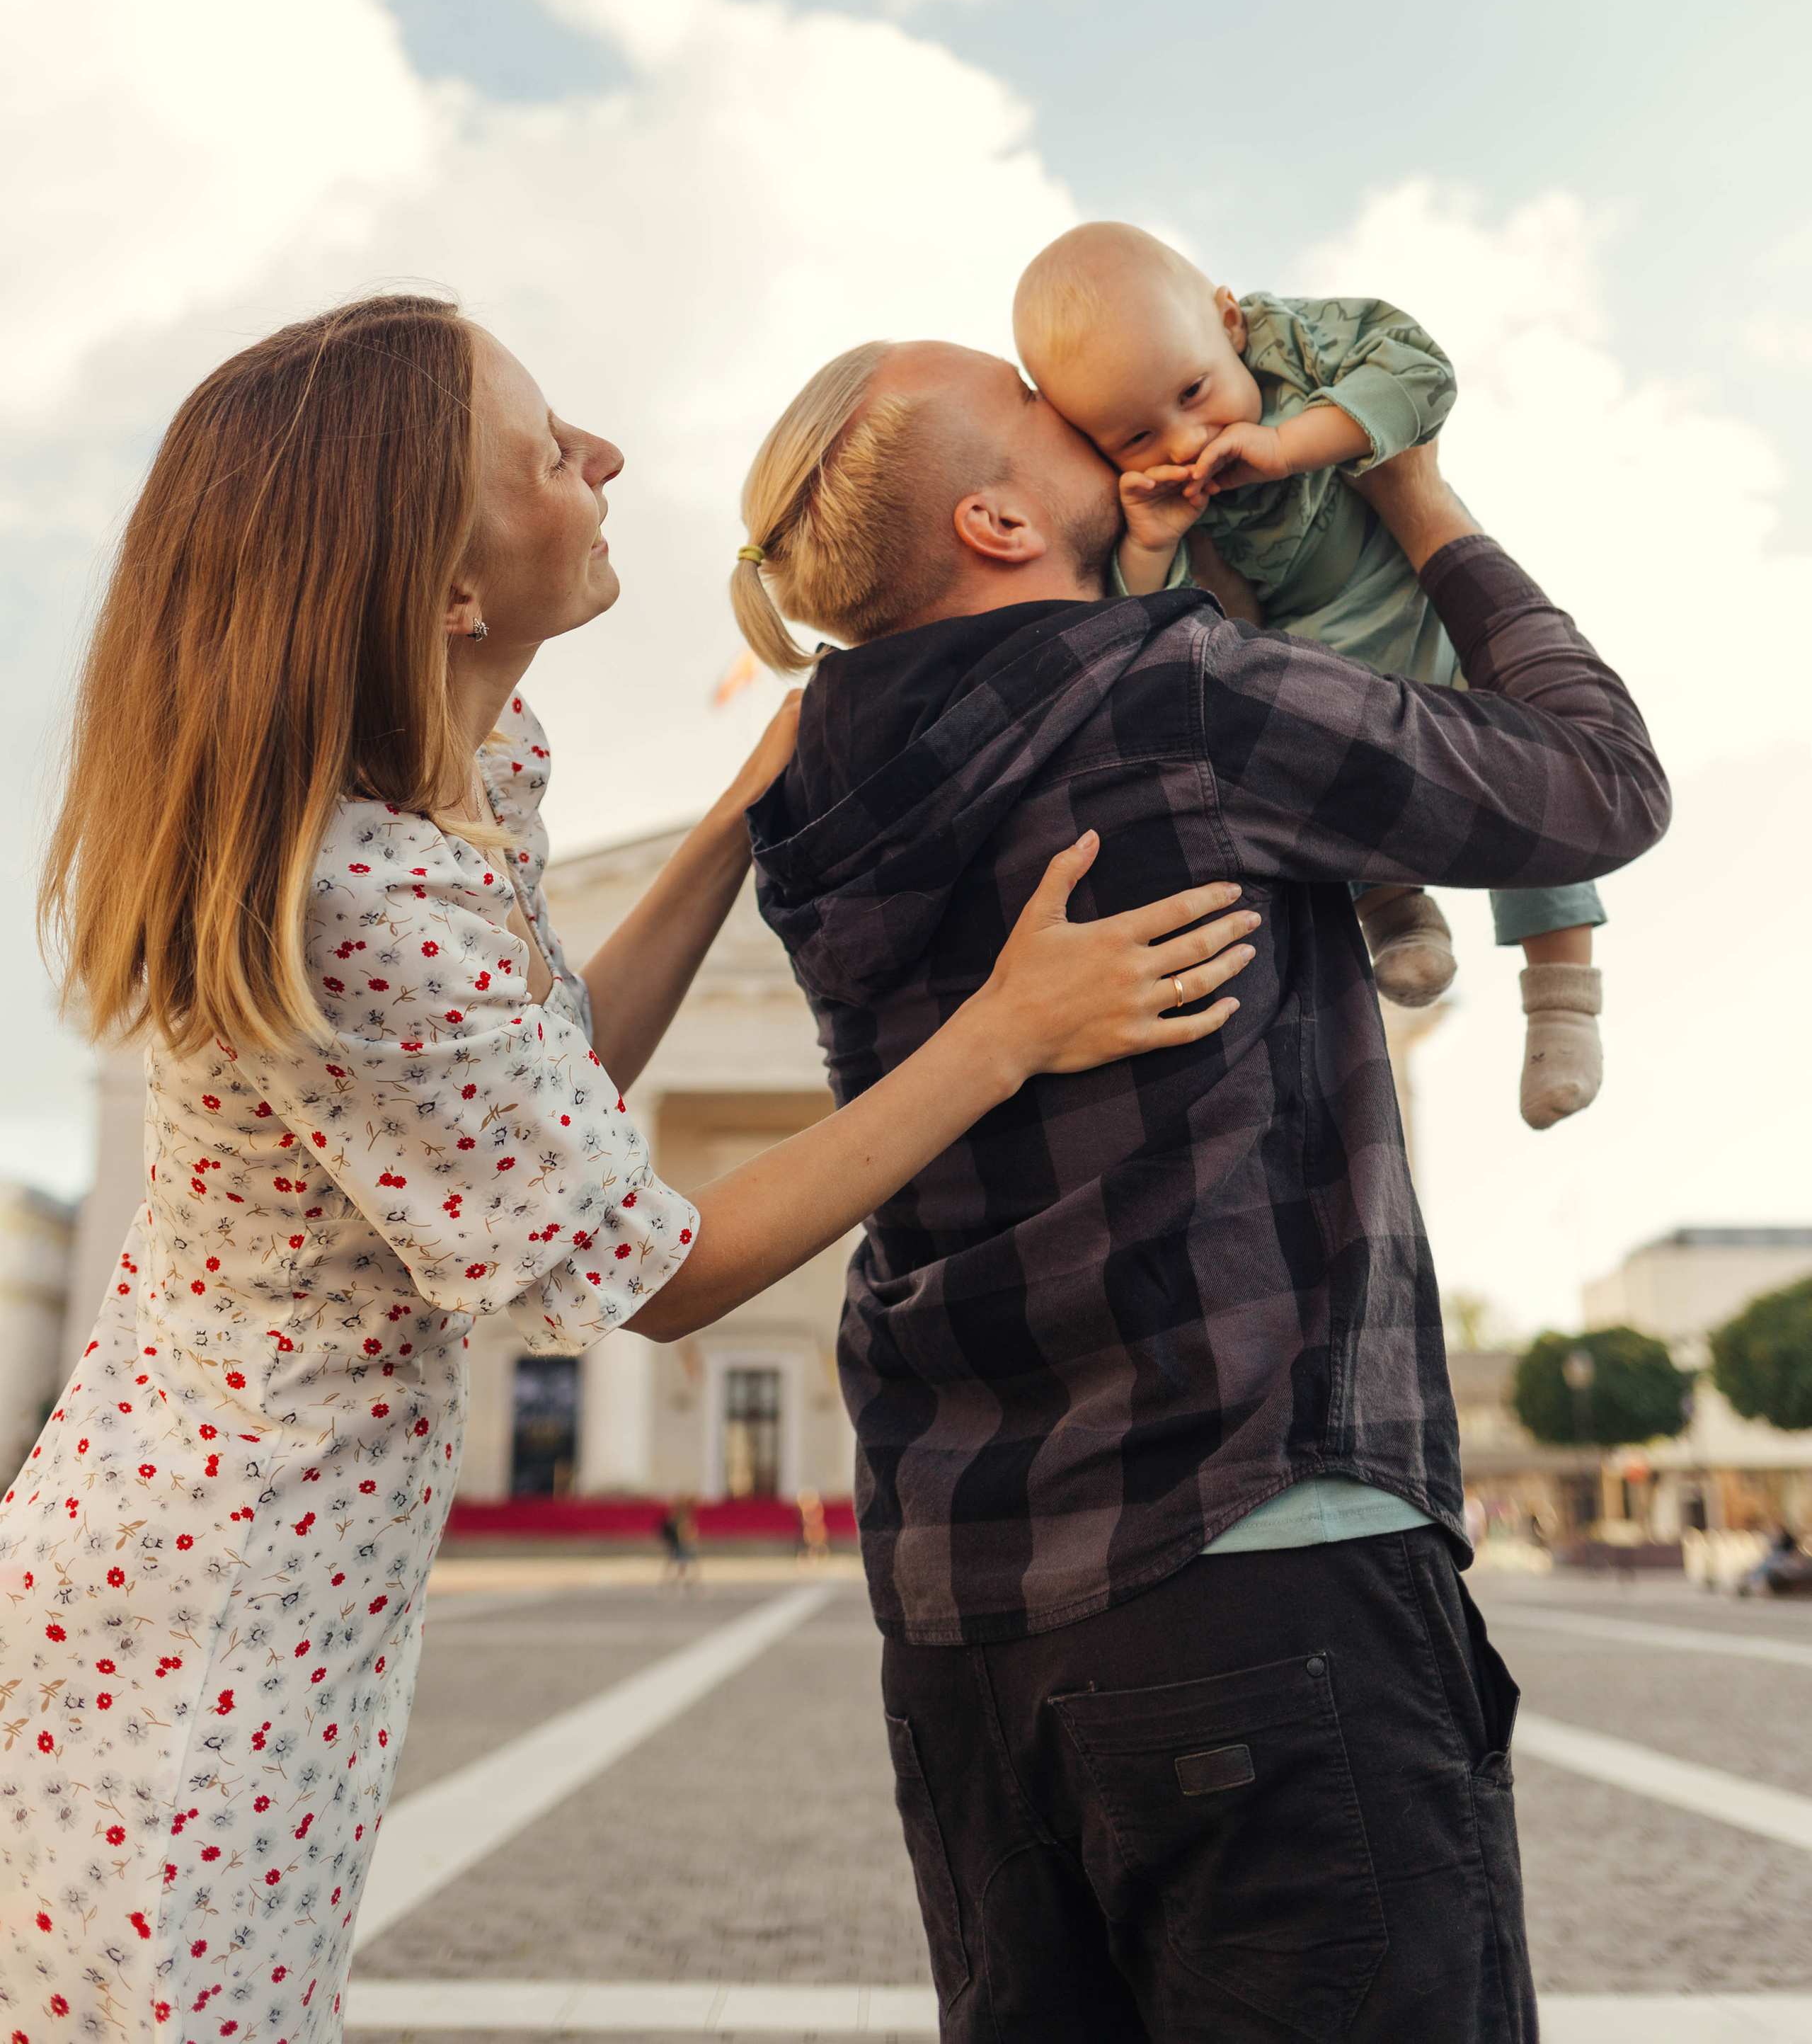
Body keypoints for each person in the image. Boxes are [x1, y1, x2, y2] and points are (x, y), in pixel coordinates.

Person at [1, 296, 1258, 2044]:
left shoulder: (469, 779)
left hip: (300, 1567)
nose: (600, 455)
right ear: (445, 594)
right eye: (544, 448)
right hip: (206, 1598)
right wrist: (1000, 1028)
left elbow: (552, 1089)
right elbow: (660, 1267)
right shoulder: (349, 896)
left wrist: (748, 802)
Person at [732, 336, 1670, 2044]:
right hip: (1258, 1544)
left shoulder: (814, 780)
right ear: (999, 516)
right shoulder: (1170, 690)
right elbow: (1594, 784)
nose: (1081, 402)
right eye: (1036, 401)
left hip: (963, 1631)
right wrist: (1412, 488)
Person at [1014, 219, 1610, 1129]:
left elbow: (1417, 370)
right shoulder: (1161, 494)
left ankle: (1561, 1006)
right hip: (1325, 657)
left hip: (1426, 609)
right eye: (1137, 435)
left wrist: (1291, 445)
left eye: (1194, 390)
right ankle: (1397, 914)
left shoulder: (1297, 344)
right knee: (1317, 765)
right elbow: (1158, 626)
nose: (1187, 435)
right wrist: (1150, 540)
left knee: (1523, 793)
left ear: (1229, 324)